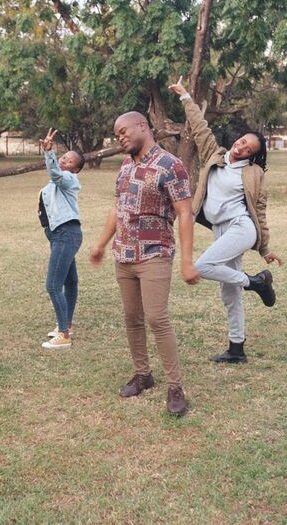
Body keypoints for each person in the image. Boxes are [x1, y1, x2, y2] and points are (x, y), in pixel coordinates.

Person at [90, 112, 200, 417]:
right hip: (124, 255)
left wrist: (187, 261)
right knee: (132, 318)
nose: (120, 137)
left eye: (124, 131)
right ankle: (142, 374)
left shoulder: (170, 165)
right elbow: (118, 208)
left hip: (155, 253)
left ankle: (175, 386)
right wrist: (100, 244)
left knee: (157, 318)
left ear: (143, 126)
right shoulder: (125, 166)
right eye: (117, 134)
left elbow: (185, 213)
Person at [168, 75, 283, 364]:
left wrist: (265, 248)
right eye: (242, 142)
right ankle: (236, 349)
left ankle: (256, 282)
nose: (241, 148)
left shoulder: (254, 173)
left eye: (248, 150)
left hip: (241, 228)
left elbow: (260, 211)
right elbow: (200, 126)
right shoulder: (214, 156)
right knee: (229, 293)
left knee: (203, 266)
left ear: (253, 156)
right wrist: (185, 96)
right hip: (221, 230)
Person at [36, 129, 84, 349]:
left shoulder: (69, 179)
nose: (64, 160)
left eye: (69, 160)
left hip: (66, 235)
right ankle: (67, 325)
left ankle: (63, 335)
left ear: (75, 169)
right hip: (61, 235)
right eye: (64, 157)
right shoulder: (56, 183)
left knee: (53, 285)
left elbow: (55, 173)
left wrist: (49, 153)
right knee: (70, 281)